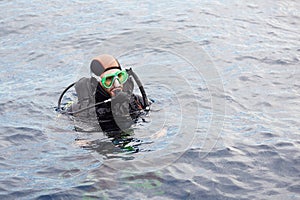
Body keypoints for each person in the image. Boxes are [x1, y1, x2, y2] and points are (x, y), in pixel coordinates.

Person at [62, 54, 149, 133]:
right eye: (108, 80)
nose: (117, 84)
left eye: (120, 76)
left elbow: (155, 112)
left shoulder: (137, 101)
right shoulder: (81, 110)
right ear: (96, 83)